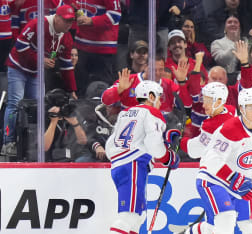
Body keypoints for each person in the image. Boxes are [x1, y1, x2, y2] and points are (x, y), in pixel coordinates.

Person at [195, 88, 252, 233]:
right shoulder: (229, 130)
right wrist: (234, 178)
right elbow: (211, 161)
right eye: (250, 107)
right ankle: (197, 230)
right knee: (226, 220)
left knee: (248, 225)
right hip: (214, 180)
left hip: (242, 182)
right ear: (241, 108)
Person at [1, 5, 77, 157]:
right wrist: (41, 60)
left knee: (38, 106)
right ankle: (7, 142)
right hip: (18, 67)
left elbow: (66, 65)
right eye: (66, 21)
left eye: (71, 21)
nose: (69, 25)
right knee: (15, 103)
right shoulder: (37, 24)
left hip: (36, 72)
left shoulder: (66, 37)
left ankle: (32, 142)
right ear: (57, 18)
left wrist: (72, 89)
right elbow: (20, 46)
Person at [105, 80, 180, 234]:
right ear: (151, 96)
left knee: (139, 217)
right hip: (132, 165)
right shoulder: (152, 112)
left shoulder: (124, 113)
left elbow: (110, 144)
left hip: (120, 166)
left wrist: (163, 140)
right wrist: (167, 157)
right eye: (158, 97)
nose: (160, 102)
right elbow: (153, 143)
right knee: (129, 216)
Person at [178, 82, 236, 233]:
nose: (204, 105)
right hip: (214, 179)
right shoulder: (231, 111)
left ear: (219, 101)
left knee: (214, 225)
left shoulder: (211, 124)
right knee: (222, 223)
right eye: (204, 100)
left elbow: (195, 150)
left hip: (223, 177)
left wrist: (178, 141)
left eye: (208, 101)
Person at [74, 0, 121, 96]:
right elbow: (74, 5)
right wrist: (78, 14)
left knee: (100, 88)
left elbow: (115, 16)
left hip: (103, 48)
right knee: (79, 87)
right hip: (81, 45)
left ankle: (100, 109)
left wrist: (91, 20)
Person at [44, 89, 89, 162]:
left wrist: (75, 124)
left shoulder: (72, 113)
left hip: (74, 158)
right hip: (52, 160)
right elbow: (44, 147)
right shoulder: (45, 117)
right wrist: (53, 122)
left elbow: (83, 142)